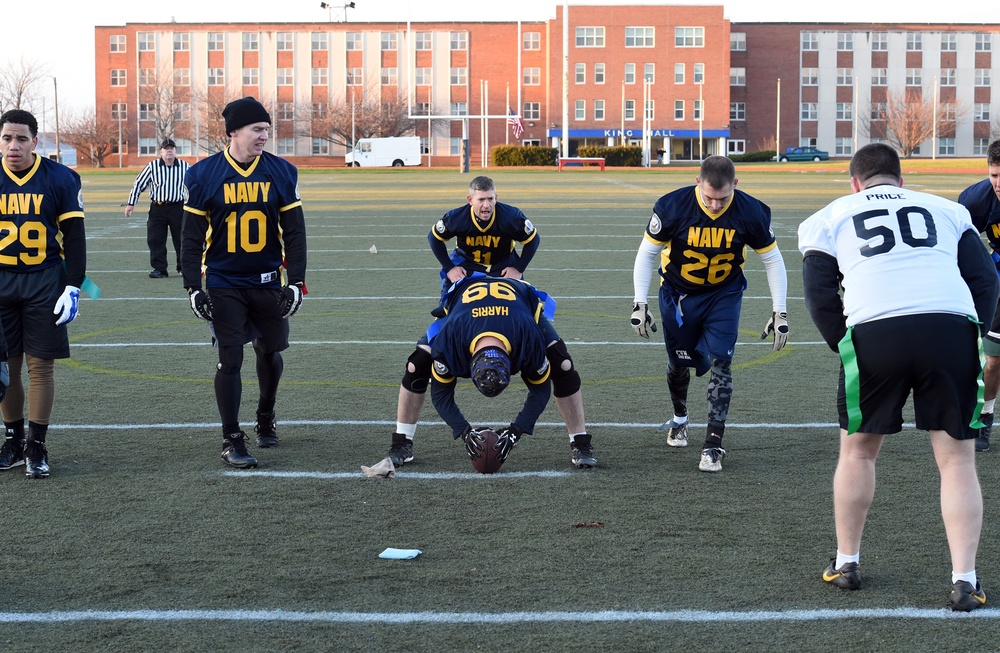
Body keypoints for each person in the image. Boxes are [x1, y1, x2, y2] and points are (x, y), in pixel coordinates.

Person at [799, 143, 998, 612]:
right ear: (901, 181)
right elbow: (986, 280)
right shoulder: (946, 209)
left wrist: (842, 343)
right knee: (958, 461)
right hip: (948, 328)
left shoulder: (830, 215)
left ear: (855, 182)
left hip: (875, 331)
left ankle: (847, 563)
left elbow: (820, 292)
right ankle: (964, 580)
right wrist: (970, 332)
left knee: (858, 450)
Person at [630, 155, 788, 473]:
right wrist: (639, 302)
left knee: (722, 362)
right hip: (678, 296)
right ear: (697, 182)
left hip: (724, 295)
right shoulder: (673, 206)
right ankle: (681, 417)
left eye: (723, 198)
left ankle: (713, 445)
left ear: (736, 186)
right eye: (709, 197)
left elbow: (772, 259)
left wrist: (780, 311)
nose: (715, 206)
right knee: (680, 364)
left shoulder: (751, 211)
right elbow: (647, 252)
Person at [181, 97, 307, 469]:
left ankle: (265, 415)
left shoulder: (281, 171)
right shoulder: (204, 174)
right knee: (229, 358)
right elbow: (190, 237)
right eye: (257, 129)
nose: (264, 136)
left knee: (270, 350)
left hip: (268, 280)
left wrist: (296, 282)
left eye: (267, 129)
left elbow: (295, 233)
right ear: (233, 132)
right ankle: (231, 436)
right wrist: (193, 286)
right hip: (224, 282)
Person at [385, 274, 596, 469]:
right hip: (463, 301)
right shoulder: (451, 339)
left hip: (519, 301)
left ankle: (580, 441)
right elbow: (440, 394)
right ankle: (402, 441)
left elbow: (540, 391)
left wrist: (516, 431)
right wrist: (464, 431)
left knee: (562, 364)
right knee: (417, 364)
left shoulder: (527, 336)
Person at [0, 109, 87, 479]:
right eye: (7, 138)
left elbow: (76, 239)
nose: (13, 146)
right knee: (7, 367)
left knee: (40, 366)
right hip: (1, 280)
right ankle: (14, 440)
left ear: (36, 141)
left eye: (21, 138)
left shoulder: (60, 178)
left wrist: (74, 285)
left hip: (44, 280)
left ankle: (36, 444)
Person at [428, 175, 538, 317]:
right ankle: (443, 309)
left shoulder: (511, 216)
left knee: (528, 305)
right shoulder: (457, 217)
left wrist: (518, 269)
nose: (486, 205)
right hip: (468, 262)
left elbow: (533, 239)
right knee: (446, 307)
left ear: (496, 198)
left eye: (490, 199)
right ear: (470, 200)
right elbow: (433, 237)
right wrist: (450, 269)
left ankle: (547, 335)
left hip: (503, 262)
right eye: (481, 199)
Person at [957, 138, 1000, 453]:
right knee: (994, 358)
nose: (998, 183)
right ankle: (984, 417)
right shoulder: (975, 200)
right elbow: (959, 246)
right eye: (994, 175)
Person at [124, 138, 189, 278]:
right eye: (166, 148)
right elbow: (139, 184)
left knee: (181, 239)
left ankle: (183, 267)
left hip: (178, 208)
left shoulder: (185, 167)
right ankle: (160, 269)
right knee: (155, 239)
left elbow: (195, 186)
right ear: (161, 151)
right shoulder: (152, 166)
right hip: (158, 208)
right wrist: (131, 203)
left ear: (176, 151)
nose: (169, 150)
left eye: (172, 148)